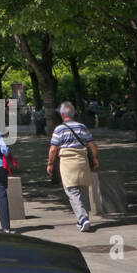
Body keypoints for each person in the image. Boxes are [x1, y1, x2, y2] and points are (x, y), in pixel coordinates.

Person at [47, 100, 99, 233]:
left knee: (72, 191)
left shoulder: (59, 129)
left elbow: (53, 149)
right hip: (82, 161)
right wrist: (94, 158)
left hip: (67, 162)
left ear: (62, 114)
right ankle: (84, 217)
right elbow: (91, 144)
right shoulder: (82, 127)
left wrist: (50, 164)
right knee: (83, 189)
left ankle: (82, 219)